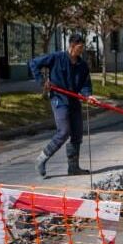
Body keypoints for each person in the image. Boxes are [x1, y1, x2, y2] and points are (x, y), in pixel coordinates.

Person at [30, 34, 94, 178]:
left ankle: (73, 167)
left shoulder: (82, 65)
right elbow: (34, 63)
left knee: (77, 133)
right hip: (59, 99)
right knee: (64, 131)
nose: (81, 50)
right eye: (80, 47)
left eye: (82, 47)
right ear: (72, 46)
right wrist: (42, 81)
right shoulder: (57, 57)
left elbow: (85, 84)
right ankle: (41, 159)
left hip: (74, 100)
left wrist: (88, 95)